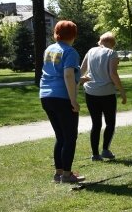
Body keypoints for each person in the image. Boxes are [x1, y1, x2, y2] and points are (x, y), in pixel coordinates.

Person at [39, 20, 86, 184]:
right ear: (73, 35)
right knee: (70, 137)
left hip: (46, 96)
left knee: (60, 136)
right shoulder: (70, 51)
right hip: (62, 97)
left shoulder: (49, 49)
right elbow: (67, 75)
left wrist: (80, 78)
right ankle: (67, 175)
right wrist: (73, 100)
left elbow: (57, 72)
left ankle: (58, 173)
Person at [80, 32, 127, 161]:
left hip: (90, 92)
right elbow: (113, 74)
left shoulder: (90, 51)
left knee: (96, 124)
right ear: (112, 44)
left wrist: (79, 81)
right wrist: (122, 92)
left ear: (100, 41)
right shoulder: (111, 53)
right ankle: (105, 150)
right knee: (110, 122)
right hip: (107, 93)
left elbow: (81, 70)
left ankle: (95, 154)